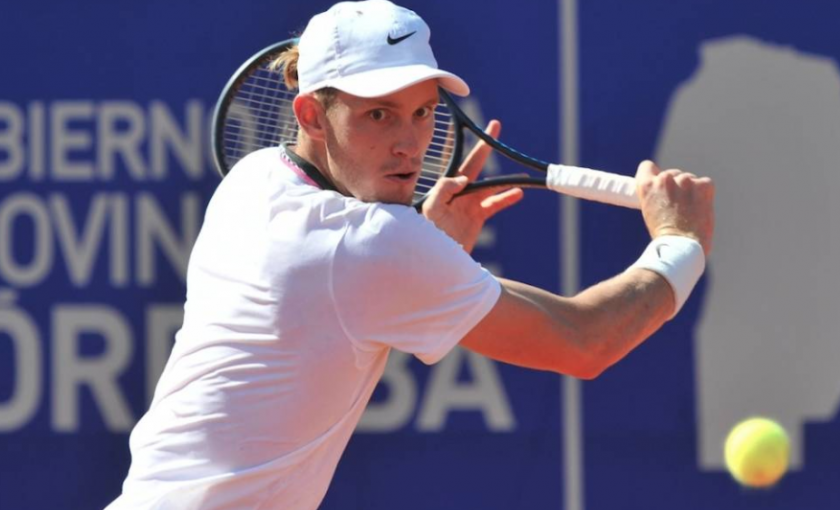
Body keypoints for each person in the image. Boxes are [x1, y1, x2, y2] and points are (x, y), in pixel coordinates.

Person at [106, 1, 714, 508]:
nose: (410, 144)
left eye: (423, 111)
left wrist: (434, 252)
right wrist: (679, 243)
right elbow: (584, 341)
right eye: (378, 114)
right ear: (312, 114)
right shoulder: (370, 246)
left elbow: (336, 304)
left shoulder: (254, 179)